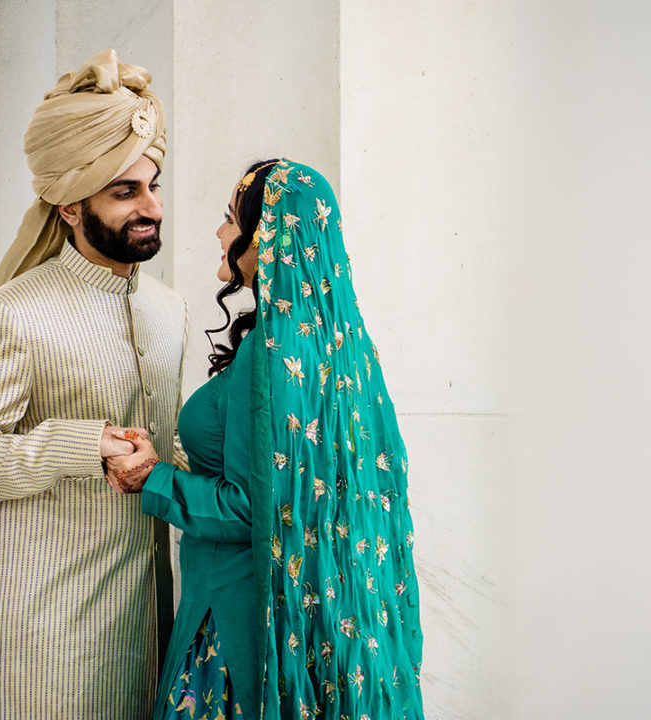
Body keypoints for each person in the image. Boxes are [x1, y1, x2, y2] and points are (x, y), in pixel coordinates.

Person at [106, 159, 424, 719]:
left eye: (232, 220)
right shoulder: (342, 347)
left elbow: (254, 507)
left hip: (237, 625)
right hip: (301, 618)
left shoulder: (269, 352)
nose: (222, 232)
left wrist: (152, 478)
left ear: (266, 239)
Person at [0, 49, 187, 719]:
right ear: (70, 207)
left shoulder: (171, 311)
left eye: (154, 184)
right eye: (125, 191)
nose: (151, 207)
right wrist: (81, 445)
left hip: (149, 636)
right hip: (43, 652)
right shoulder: (10, 315)